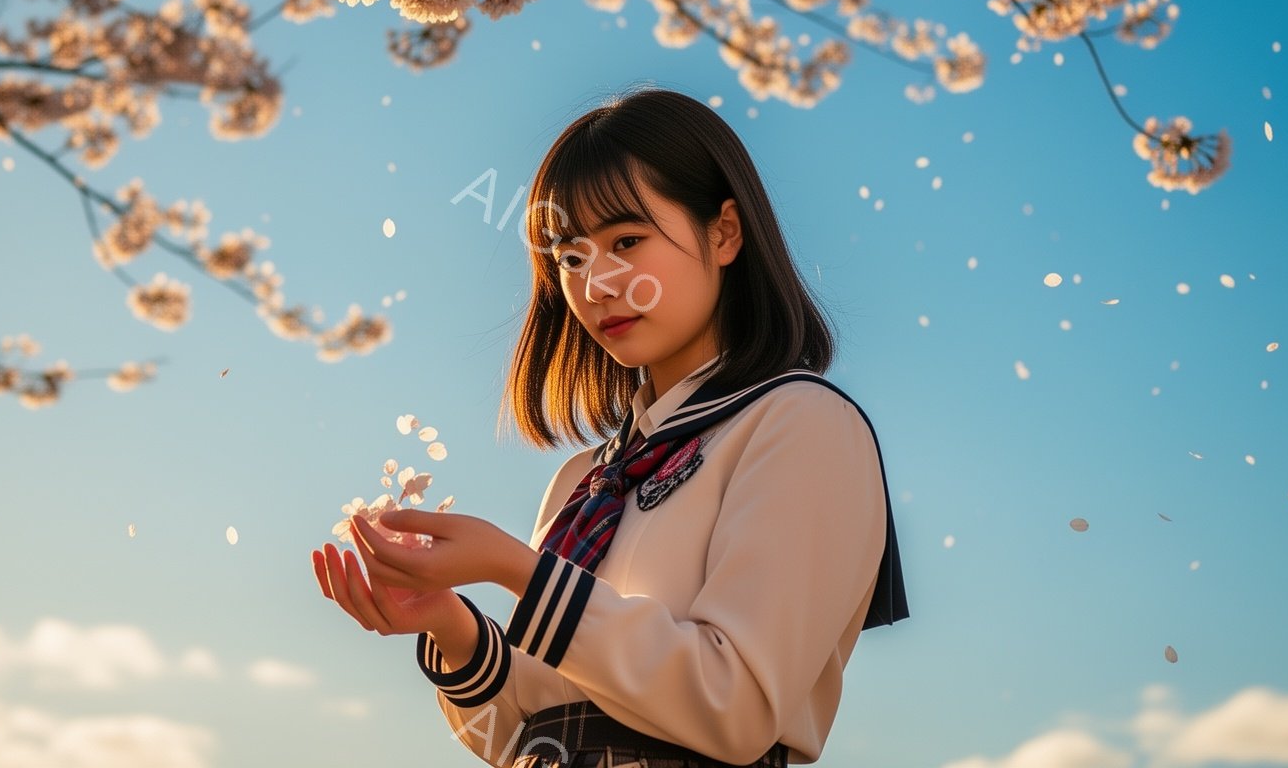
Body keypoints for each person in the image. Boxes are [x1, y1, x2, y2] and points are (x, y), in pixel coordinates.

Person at [312, 86, 908, 767]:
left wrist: (516, 570)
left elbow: (735, 707)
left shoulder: (801, 423)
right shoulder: (583, 479)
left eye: (626, 240)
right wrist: (450, 626)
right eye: (570, 257)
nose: (595, 284)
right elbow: (522, 740)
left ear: (725, 232)